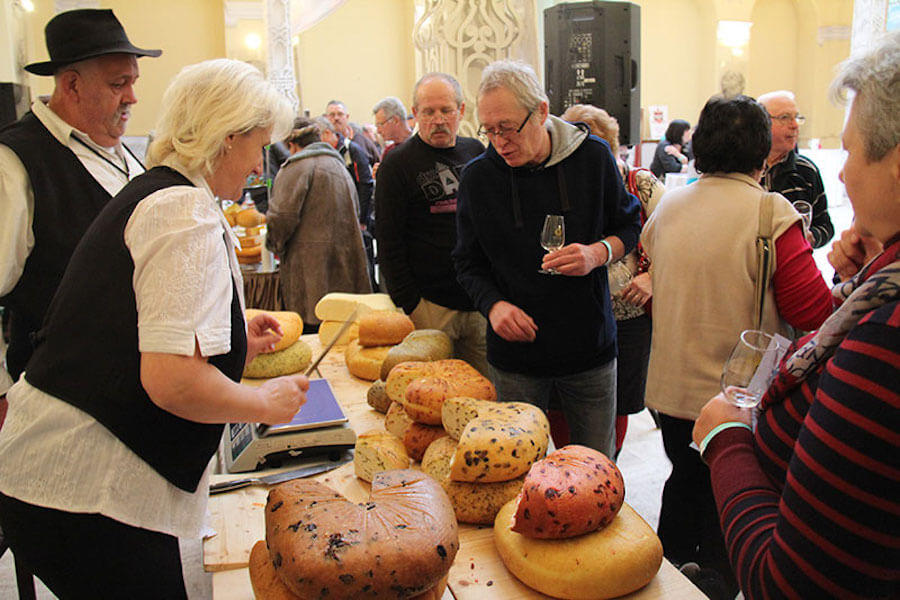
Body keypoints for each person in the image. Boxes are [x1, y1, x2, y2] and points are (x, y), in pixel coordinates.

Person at [0, 59, 307, 597]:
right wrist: (265, 403)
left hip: (73, 481)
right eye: (257, 144)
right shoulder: (181, 210)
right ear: (225, 135)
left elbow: (141, 332)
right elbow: (170, 381)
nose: (260, 164)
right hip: (85, 485)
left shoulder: (165, 191)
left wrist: (234, 343)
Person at [693, 32, 900, 600]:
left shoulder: (887, 341)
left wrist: (728, 440)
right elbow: (813, 311)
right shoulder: (878, 288)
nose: (845, 173)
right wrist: (863, 276)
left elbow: (790, 583)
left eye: (853, 151)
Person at [641, 94, 833, 597]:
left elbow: (650, 289)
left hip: (672, 390)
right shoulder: (772, 213)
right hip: (739, 401)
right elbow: (813, 314)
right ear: (762, 150)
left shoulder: (668, 206)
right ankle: (716, 585)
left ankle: (665, 578)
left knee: (682, 482)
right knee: (731, 503)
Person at [453, 60, 642, 458]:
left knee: (596, 470)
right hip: (515, 360)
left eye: (507, 127)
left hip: (588, 350)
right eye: (489, 130)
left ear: (540, 111)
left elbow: (629, 227)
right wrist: (494, 305)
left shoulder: (592, 158)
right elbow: (467, 263)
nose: (499, 141)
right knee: (519, 475)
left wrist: (597, 252)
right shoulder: (478, 178)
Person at [0, 8, 160, 392]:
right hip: (56, 394)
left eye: (133, 82)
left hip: (132, 390)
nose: (133, 97)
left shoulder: (124, 154)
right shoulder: (15, 162)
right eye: (118, 84)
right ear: (71, 85)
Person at [562, 104, 665, 456]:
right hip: (576, 312)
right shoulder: (563, 184)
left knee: (617, 405)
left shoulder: (640, 183)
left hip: (629, 315)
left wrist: (653, 276)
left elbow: (679, 240)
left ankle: (605, 468)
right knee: (567, 401)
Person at [375, 73, 488, 374]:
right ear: (415, 115)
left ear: (461, 111)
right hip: (430, 305)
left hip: (478, 301)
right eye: (428, 111)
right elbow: (388, 241)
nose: (438, 119)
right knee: (432, 401)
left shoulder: (477, 152)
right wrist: (410, 303)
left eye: (446, 110)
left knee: (486, 394)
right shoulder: (396, 164)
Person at [266, 117, 372, 332]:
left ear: (292, 145)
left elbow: (281, 217)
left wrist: (273, 244)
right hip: (345, 271)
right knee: (340, 337)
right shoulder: (338, 165)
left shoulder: (296, 168)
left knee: (314, 339)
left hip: (310, 276)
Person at [758, 90, 834, 248]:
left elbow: (826, 226)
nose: (794, 125)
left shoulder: (806, 171)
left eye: (797, 118)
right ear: (762, 123)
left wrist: (812, 237)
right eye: (785, 118)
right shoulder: (743, 167)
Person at [325, 99, 380, 167]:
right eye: (332, 115)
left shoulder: (361, 141)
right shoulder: (323, 144)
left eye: (340, 114)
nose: (336, 118)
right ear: (326, 118)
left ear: (347, 117)